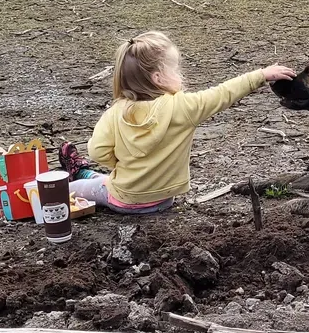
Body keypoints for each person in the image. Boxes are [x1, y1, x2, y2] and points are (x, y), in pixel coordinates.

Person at [64, 31, 295, 214]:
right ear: (158, 78)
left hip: (123, 198)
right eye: (175, 68)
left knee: (77, 189)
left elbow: (97, 151)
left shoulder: (116, 113)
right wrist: (261, 75)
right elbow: (224, 93)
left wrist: (119, 164)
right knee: (104, 182)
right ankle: (83, 172)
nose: (180, 73)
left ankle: (79, 175)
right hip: (163, 201)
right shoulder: (184, 107)